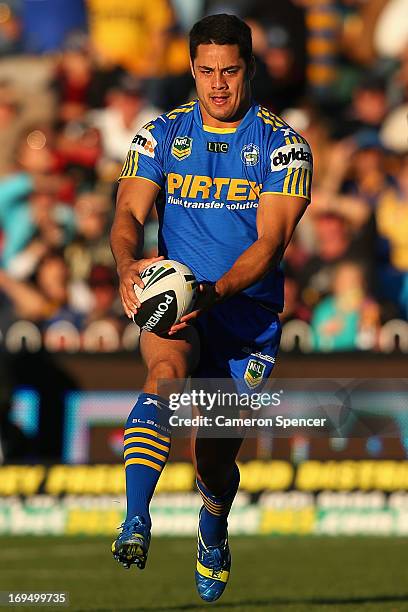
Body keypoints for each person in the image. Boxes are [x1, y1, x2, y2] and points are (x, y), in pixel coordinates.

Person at [110, 13, 313, 603]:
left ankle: (213, 522)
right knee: (164, 376)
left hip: (244, 320)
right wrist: (127, 266)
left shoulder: (282, 145)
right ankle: (135, 519)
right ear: (192, 70)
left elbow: (270, 244)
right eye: (206, 71)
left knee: (213, 463)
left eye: (229, 71)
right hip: (177, 307)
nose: (218, 84)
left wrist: (213, 293)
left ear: (248, 69)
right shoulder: (159, 135)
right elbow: (127, 214)